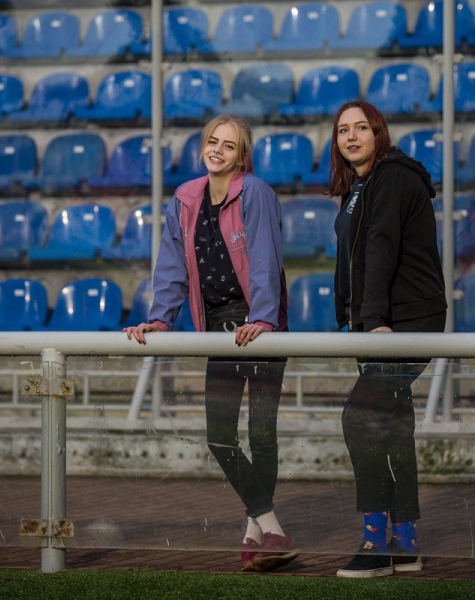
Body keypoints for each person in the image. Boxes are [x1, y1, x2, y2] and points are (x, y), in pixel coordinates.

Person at [123, 115, 297, 573]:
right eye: (212, 142)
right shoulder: (184, 199)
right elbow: (172, 266)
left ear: (242, 157)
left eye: (229, 145)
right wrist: (160, 319)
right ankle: (270, 527)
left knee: (261, 433)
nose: (218, 150)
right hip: (220, 324)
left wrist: (263, 318)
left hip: (261, 320)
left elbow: (265, 257)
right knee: (220, 436)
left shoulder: (255, 191)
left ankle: (256, 533)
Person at [328, 101, 448, 578]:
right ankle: (407, 541)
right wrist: (349, 315)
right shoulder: (358, 186)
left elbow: (380, 246)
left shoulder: (393, 177)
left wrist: (374, 320)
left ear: (379, 133)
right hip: (374, 322)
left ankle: (376, 541)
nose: (351, 136)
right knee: (393, 424)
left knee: (359, 418)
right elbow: (352, 255)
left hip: (406, 321)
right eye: (343, 130)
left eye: (362, 128)